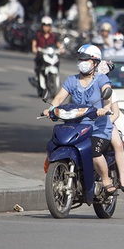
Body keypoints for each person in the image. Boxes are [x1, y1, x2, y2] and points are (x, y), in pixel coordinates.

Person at [42, 45, 116, 195]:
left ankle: (106, 179)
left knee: (94, 151)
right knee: (55, 144)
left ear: (95, 62)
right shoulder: (72, 80)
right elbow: (59, 97)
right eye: (80, 59)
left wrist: (104, 109)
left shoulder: (102, 79)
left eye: (86, 59)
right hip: (76, 126)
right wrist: (50, 109)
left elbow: (107, 95)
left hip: (98, 128)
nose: (82, 62)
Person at [97, 61, 124, 193]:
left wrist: (106, 123)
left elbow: (115, 114)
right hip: (86, 124)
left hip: (106, 123)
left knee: (118, 145)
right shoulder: (83, 87)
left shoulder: (109, 91)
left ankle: (122, 178)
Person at [31, 16, 62, 84]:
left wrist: (61, 49)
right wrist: (34, 49)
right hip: (41, 55)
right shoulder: (38, 35)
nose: (46, 27)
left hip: (51, 55)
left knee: (57, 62)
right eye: (44, 25)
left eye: (48, 25)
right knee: (38, 64)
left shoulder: (54, 36)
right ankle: (37, 78)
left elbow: (59, 45)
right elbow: (34, 44)